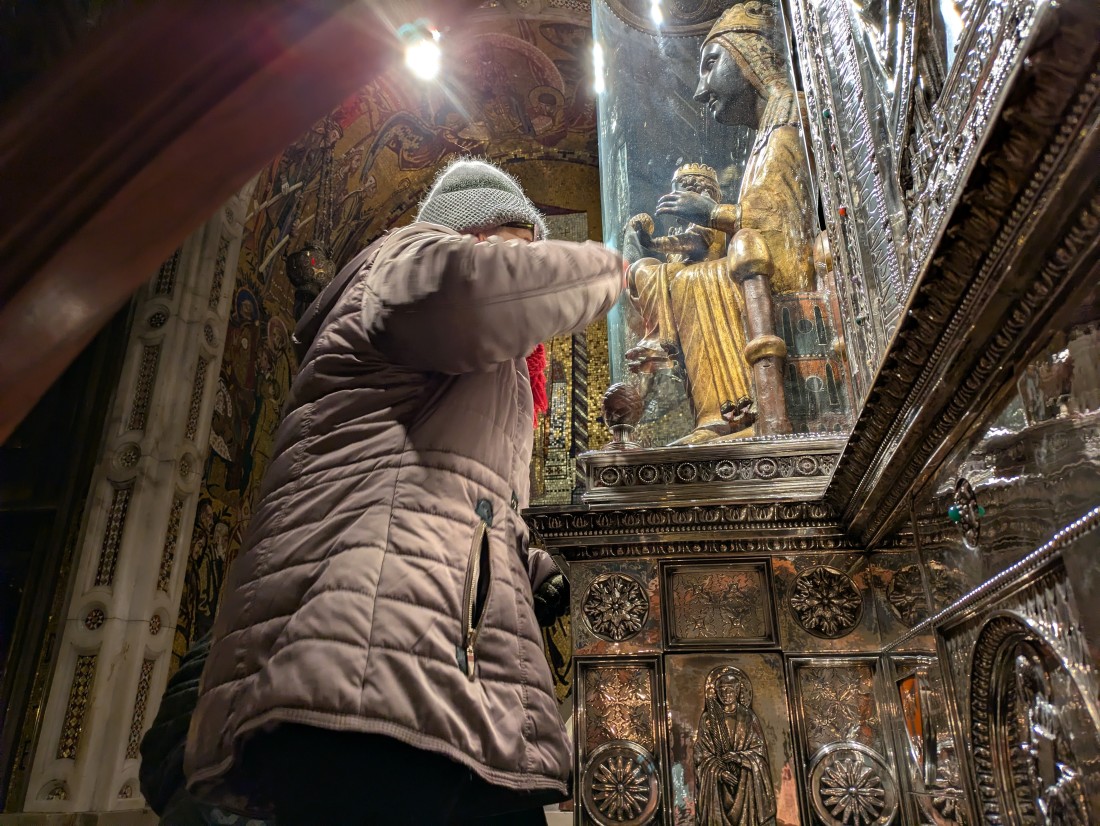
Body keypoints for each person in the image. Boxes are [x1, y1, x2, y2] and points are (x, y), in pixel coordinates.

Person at [180, 158, 623, 825]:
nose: (529, 259)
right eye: (520, 245)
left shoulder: (473, 366)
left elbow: (461, 497)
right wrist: (615, 267)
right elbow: (475, 291)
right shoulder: (407, 260)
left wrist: (530, 568)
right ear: (474, 233)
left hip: (418, 652)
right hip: (369, 656)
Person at [693, 665, 777, 826]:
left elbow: (760, 753)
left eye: (730, 690)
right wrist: (719, 772)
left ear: (738, 691)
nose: (726, 694)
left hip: (746, 785)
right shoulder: (708, 719)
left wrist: (739, 758)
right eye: (722, 690)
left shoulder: (749, 717)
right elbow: (701, 755)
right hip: (719, 789)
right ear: (716, 692)